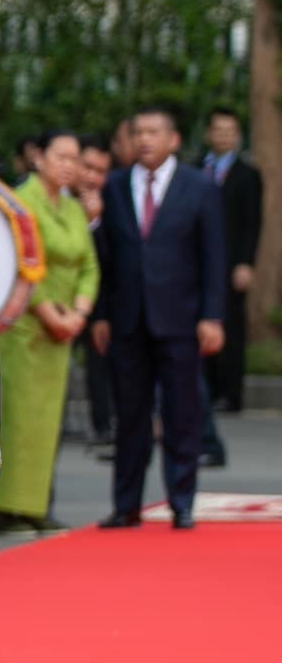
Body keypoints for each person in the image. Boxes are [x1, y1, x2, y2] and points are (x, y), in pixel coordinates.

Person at [90, 106, 226, 530]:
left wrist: (213, 316)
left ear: (174, 139)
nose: (144, 140)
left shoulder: (198, 187)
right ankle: (126, 504)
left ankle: (181, 501)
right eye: (138, 133)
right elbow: (104, 259)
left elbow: (213, 257)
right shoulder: (114, 187)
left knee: (182, 413)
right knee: (130, 414)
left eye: (153, 132)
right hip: (127, 318)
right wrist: (101, 314)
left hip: (182, 318)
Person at [0, 131, 97, 530]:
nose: (69, 165)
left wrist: (80, 312)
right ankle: (8, 506)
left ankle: (36, 504)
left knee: (48, 420)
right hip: (26, 323)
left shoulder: (71, 210)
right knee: (16, 419)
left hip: (65, 324)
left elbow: (89, 264)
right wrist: (47, 310)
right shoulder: (22, 202)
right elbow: (16, 261)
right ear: (40, 159)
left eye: (75, 158)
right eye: (61, 156)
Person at [200, 108, 262, 413]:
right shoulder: (196, 170)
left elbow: (253, 223)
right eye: (218, 130)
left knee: (231, 326)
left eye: (230, 131)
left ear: (237, 137)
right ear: (208, 134)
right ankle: (206, 390)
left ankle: (230, 393)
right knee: (199, 322)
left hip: (231, 263)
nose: (224, 136)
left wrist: (246, 263)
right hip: (197, 262)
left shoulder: (248, 175)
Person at [74, 133, 115, 447]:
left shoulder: (110, 203)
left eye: (100, 171)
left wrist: (95, 222)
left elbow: (108, 261)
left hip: (95, 301)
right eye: (86, 167)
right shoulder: (56, 200)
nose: (91, 177)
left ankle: (105, 425)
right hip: (50, 303)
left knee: (100, 363)